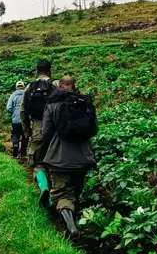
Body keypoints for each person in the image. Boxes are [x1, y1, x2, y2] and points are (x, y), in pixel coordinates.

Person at [41, 76, 98, 237]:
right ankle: (75, 222)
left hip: (59, 158)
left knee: (62, 194)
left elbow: (45, 131)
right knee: (75, 192)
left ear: (59, 86)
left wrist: (50, 148)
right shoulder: (84, 102)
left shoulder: (52, 104)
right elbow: (94, 129)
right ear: (73, 86)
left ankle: (71, 228)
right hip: (83, 157)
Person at [20, 59, 58, 205]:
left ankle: (44, 188)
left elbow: (22, 111)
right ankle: (56, 195)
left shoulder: (29, 87)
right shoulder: (56, 84)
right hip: (56, 130)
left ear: (37, 71)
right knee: (55, 162)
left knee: (38, 163)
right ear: (50, 70)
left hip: (37, 129)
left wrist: (27, 131)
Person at [6, 81, 28, 158]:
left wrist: (13, 113)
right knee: (25, 135)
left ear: (16, 87)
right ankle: (23, 152)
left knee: (15, 134)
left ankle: (15, 145)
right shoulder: (26, 94)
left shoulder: (13, 95)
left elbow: (8, 108)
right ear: (23, 87)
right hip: (25, 119)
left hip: (15, 119)